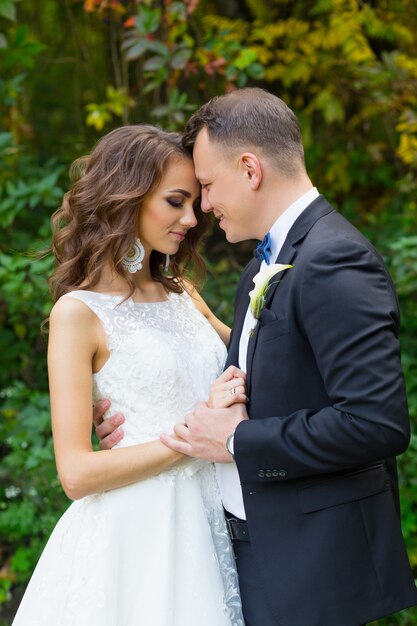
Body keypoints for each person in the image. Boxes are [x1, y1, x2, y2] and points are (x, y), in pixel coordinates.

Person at [98, 89, 417, 626]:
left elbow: (375, 423)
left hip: (311, 566)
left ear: (249, 169)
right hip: (246, 550)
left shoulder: (333, 259)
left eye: (205, 184)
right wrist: (130, 414)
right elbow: (254, 378)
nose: (202, 205)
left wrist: (232, 441)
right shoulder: (265, 264)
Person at [12, 125, 245, 626]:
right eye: (175, 201)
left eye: (194, 201)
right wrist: (190, 436)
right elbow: (75, 473)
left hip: (214, 516)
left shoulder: (180, 289)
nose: (191, 217)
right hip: (138, 533)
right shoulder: (78, 314)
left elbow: (251, 363)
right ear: (128, 198)